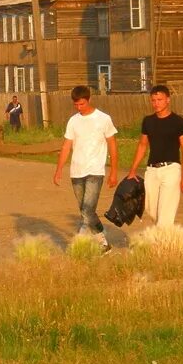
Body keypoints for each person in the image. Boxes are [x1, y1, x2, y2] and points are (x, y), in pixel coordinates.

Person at [53, 85, 119, 250]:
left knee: (88, 209)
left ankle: (79, 242)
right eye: (76, 105)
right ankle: (103, 242)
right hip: (76, 171)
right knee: (85, 210)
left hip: (95, 171)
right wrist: (59, 169)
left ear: (89, 99)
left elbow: (112, 145)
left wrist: (114, 172)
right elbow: (67, 146)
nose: (79, 107)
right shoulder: (73, 121)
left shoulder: (104, 119)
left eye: (82, 104)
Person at [126, 85, 183, 227]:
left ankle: (163, 245)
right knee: (151, 209)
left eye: (160, 99)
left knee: (166, 211)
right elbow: (143, 145)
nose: (156, 103)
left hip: (171, 169)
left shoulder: (178, 122)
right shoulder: (148, 121)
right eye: (153, 100)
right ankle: (171, 238)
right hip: (152, 170)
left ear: (168, 100)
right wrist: (133, 170)